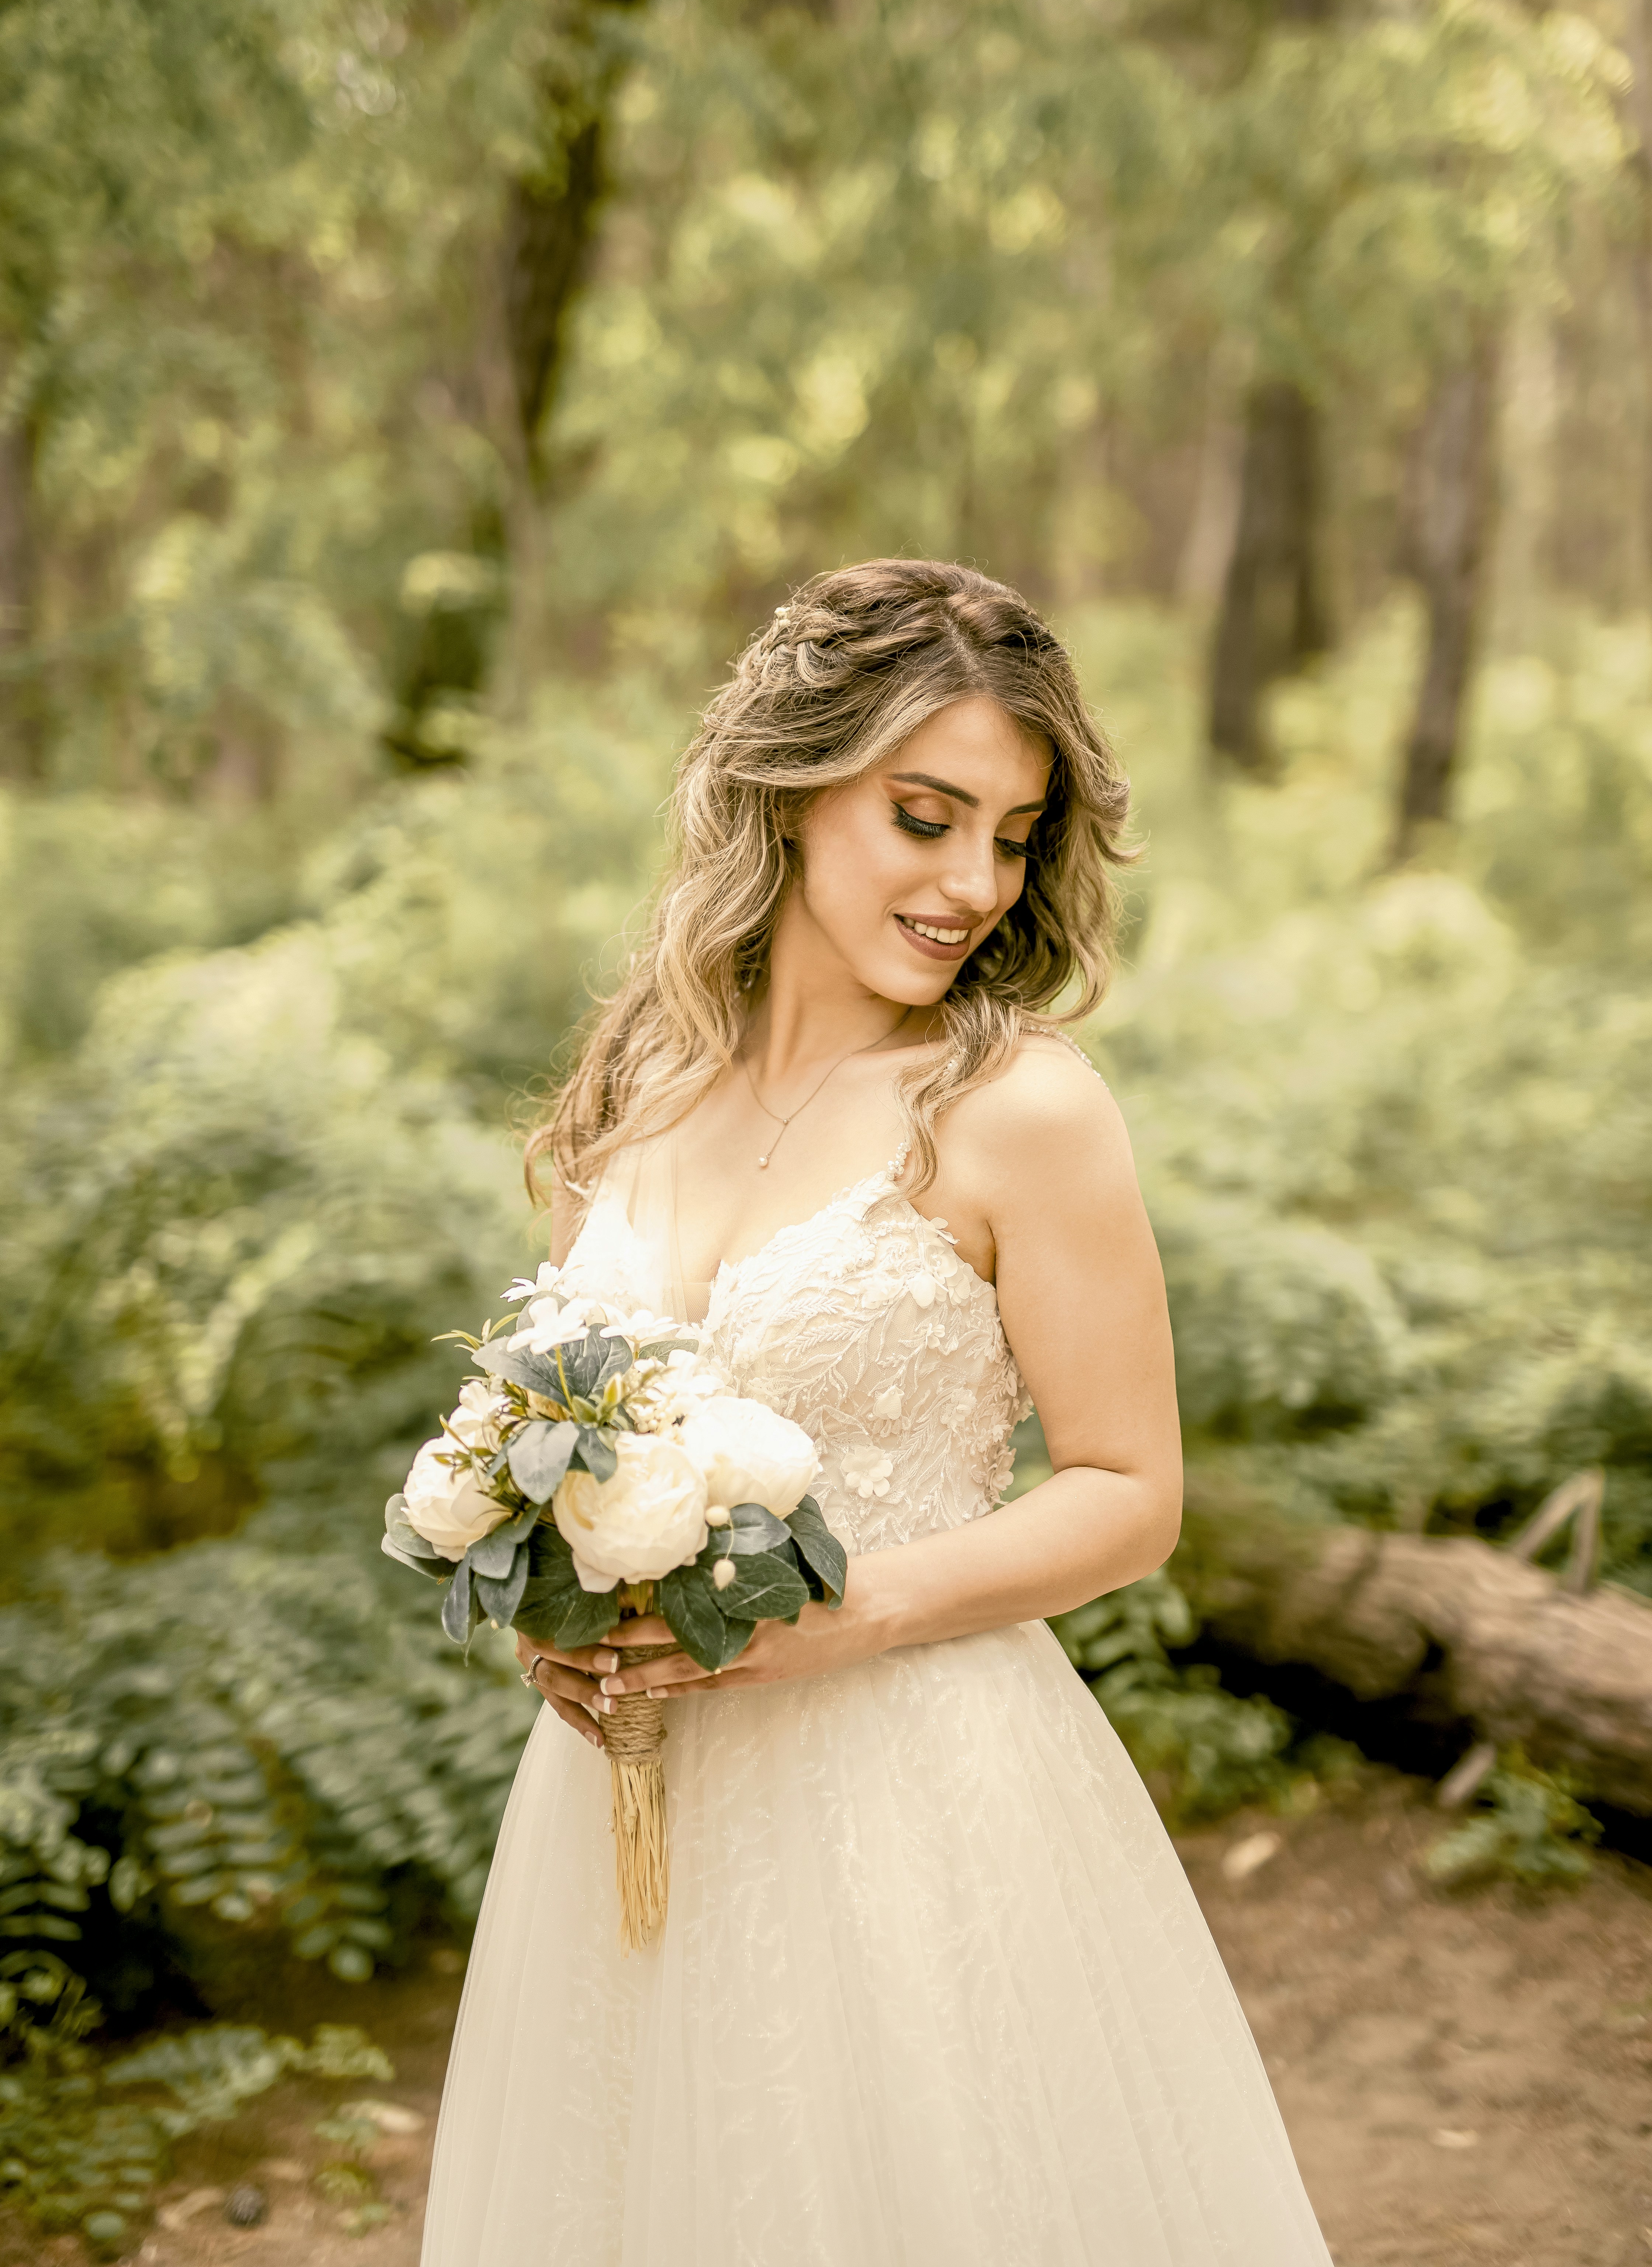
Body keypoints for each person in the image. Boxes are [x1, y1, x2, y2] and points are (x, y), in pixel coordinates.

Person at [419, 559, 1333, 2266]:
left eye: (1010, 835)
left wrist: (852, 1614)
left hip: (918, 1798)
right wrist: (561, 1614)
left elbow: (1131, 1491)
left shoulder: (1021, 1111)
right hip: (634, 1798)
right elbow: (571, 1428)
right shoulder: (634, 1085)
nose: (972, 881)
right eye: (926, 816)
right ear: (791, 781)